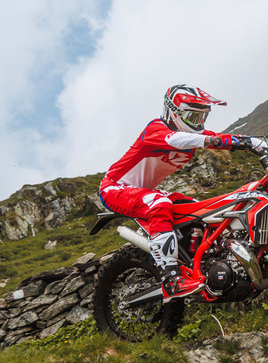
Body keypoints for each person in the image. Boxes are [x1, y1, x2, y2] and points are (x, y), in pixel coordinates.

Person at [99, 84, 242, 302]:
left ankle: (203, 268)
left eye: (201, 118)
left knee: (200, 210)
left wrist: (259, 143)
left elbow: (217, 137)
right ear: (173, 111)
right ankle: (171, 277)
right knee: (158, 203)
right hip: (114, 187)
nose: (198, 124)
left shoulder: (193, 136)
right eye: (192, 116)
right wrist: (211, 140)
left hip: (144, 190)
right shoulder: (156, 129)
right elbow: (174, 139)